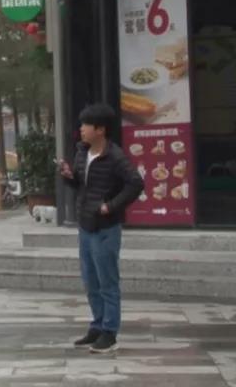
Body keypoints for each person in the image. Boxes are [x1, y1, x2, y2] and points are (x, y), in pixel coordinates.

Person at [58, 103, 143, 354]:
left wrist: (111, 206)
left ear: (100, 129)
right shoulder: (82, 153)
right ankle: (97, 326)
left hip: (106, 228)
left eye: (86, 125)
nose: (81, 129)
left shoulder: (115, 156)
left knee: (108, 282)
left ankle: (110, 332)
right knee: (91, 282)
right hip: (86, 226)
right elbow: (82, 187)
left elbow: (136, 183)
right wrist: (69, 176)